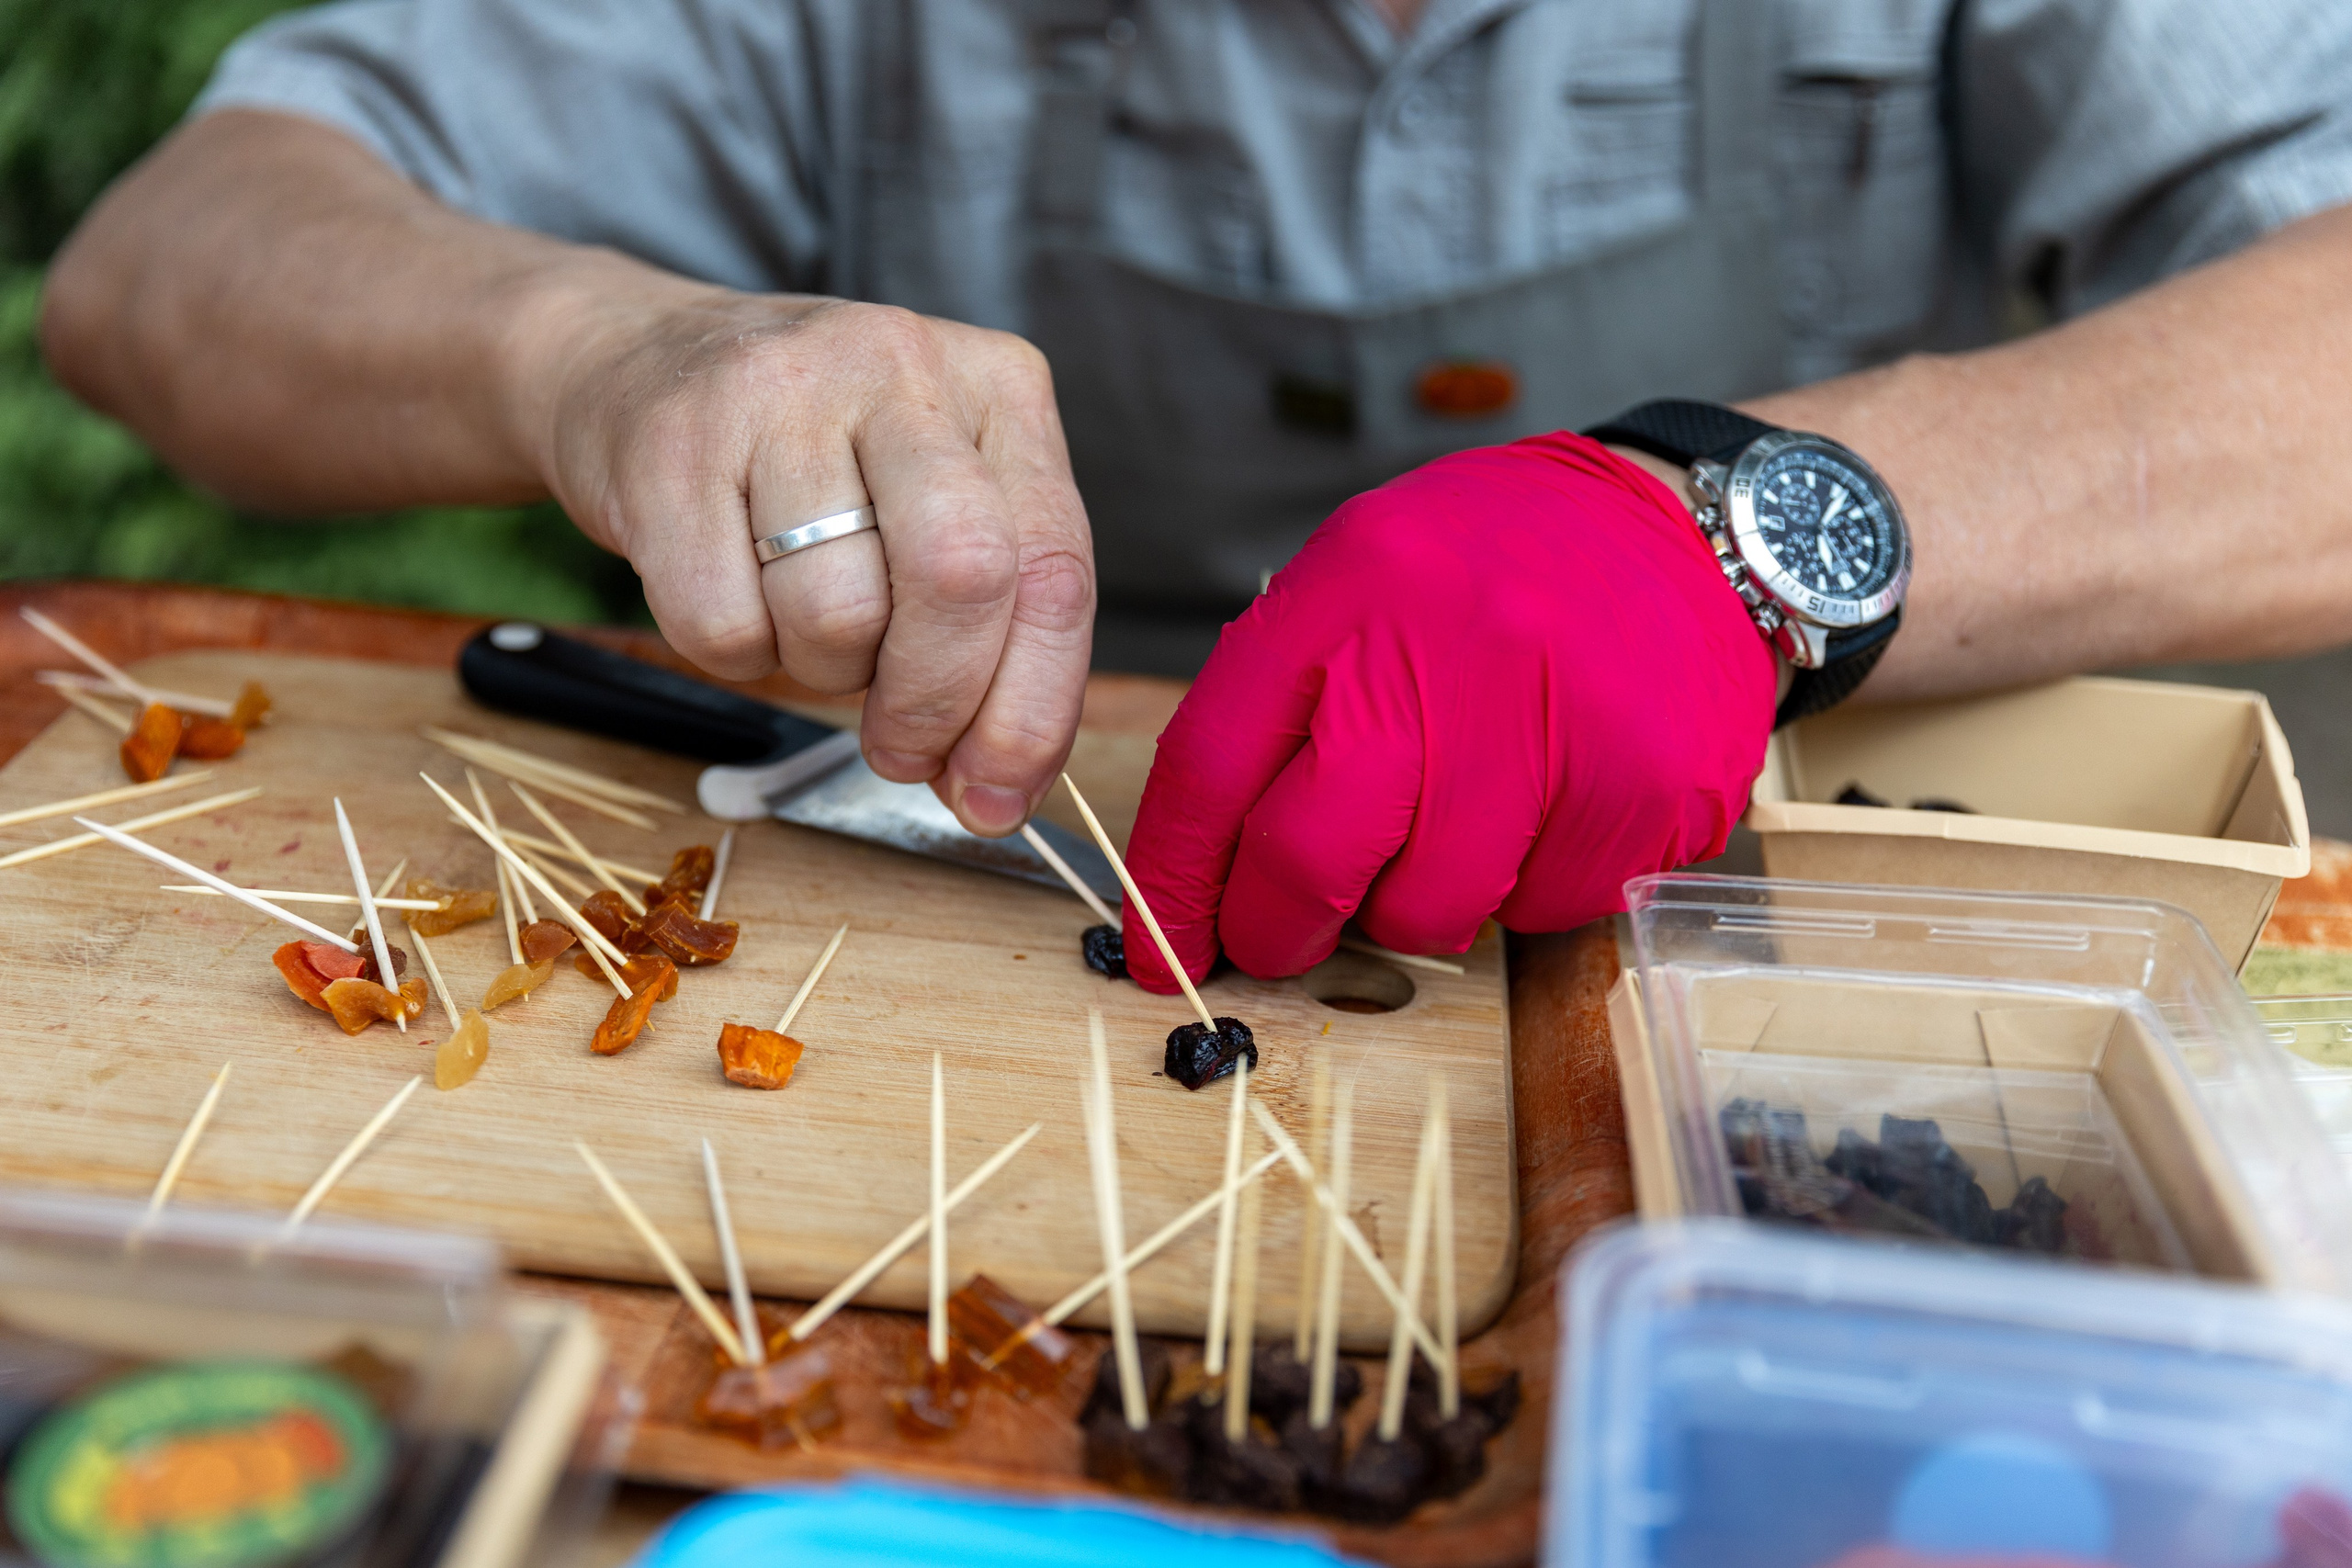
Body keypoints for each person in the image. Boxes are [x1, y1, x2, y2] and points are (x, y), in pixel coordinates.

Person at [38, 0, 2352, 993]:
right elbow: (164, 269)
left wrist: (1741, 529)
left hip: (1778, 915)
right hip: (1044, 861)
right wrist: (596, 348)